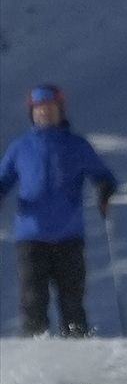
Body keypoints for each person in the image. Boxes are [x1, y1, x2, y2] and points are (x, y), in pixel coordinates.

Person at [0, 83, 118, 337]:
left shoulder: (76, 145)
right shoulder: (21, 147)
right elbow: (3, 178)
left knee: (72, 301)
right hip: (31, 238)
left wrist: (105, 188)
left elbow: (102, 174)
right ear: (32, 113)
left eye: (50, 108)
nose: (45, 113)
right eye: (40, 109)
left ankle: (76, 353)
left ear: (60, 110)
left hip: (69, 237)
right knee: (33, 301)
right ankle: (35, 356)